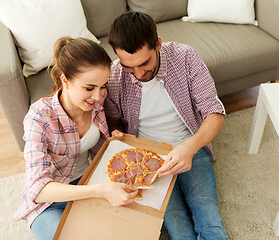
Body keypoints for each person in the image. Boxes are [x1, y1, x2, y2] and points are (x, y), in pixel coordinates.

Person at [105, 12, 228, 240]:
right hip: (146, 157)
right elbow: (112, 119)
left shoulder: (185, 57)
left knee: (209, 220)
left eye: (144, 64)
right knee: (177, 226)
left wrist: (189, 148)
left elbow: (215, 113)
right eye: (129, 67)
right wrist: (115, 131)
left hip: (191, 146)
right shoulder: (114, 75)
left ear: (158, 44)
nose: (138, 74)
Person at [13, 37, 139, 240]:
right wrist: (100, 190)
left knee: (134, 228)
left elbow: (111, 130)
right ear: (66, 80)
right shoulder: (39, 117)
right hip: (50, 203)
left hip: (89, 184)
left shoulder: (97, 102)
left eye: (103, 86)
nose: (98, 97)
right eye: (89, 88)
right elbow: (39, 189)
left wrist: (115, 136)